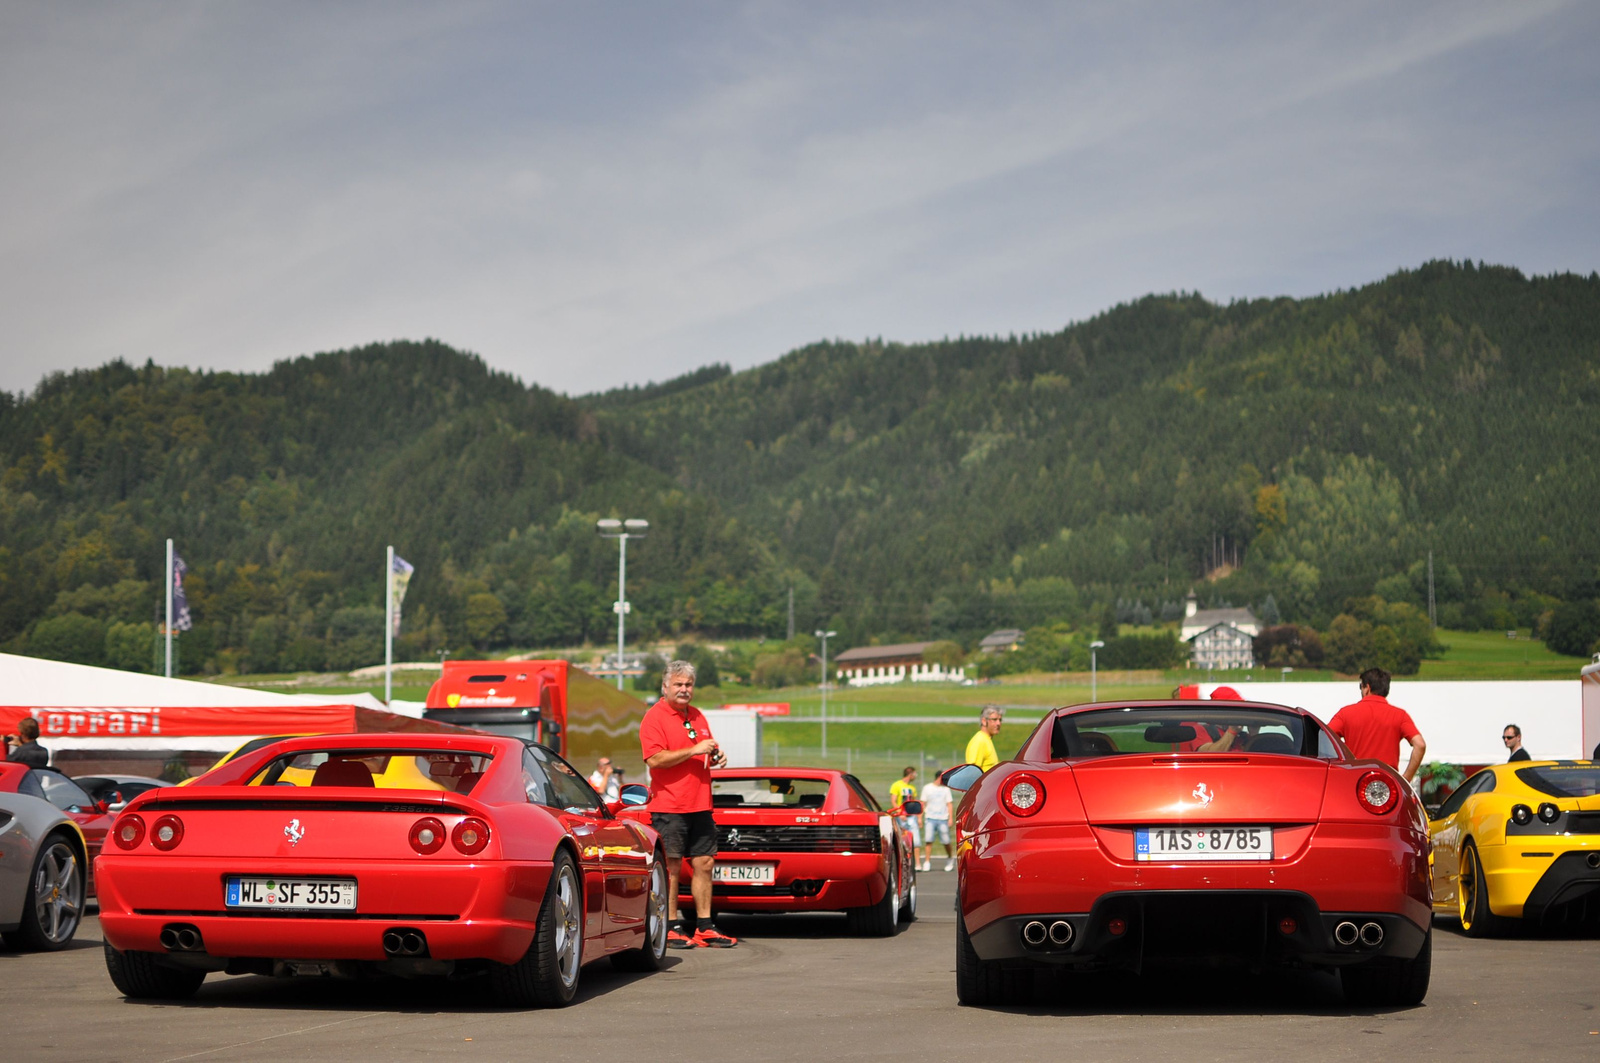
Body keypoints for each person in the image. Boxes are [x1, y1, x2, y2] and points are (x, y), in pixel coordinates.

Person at [638, 660, 737, 949]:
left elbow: (703, 750)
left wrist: (716, 757)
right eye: (678, 684)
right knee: (670, 867)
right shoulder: (654, 718)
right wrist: (694, 749)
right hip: (670, 805)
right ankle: (670, 925)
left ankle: (704, 926)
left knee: (704, 863)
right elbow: (655, 759)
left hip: (701, 803)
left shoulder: (696, 716)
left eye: (688, 685)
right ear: (665, 686)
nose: (684, 689)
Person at [1328, 667, 1426, 784]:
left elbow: (1324, 739)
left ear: (1367, 688)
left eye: (1361, 686)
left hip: (1355, 781)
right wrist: (1406, 778)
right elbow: (1420, 745)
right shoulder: (1400, 715)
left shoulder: (1345, 713)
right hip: (1387, 784)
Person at [919, 767, 955, 872]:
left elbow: (949, 804)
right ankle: (927, 861)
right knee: (928, 840)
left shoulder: (946, 789)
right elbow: (923, 803)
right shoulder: (927, 788)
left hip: (942, 818)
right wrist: (920, 818)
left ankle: (949, 858)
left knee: (946, 841)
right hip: (930, 818)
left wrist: (950, 818)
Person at [888, 766, 920, 853]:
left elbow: (913, 801)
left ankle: (917, 864)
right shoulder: (896, 785)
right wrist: (900, 813)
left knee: (916, 841)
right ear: (910, 774)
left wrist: (918, 816)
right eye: (914, 774)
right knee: (902, 840)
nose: (915, 776)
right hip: (901, 816)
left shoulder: (912, 787)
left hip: (911, 816)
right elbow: (893, 801)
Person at [966, 706, 1003, 772]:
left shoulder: (987, 739)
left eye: (1000, 720)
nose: (998, 723)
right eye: (994, 720)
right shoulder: (979, 740)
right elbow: (973, 772)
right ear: (984, 721)